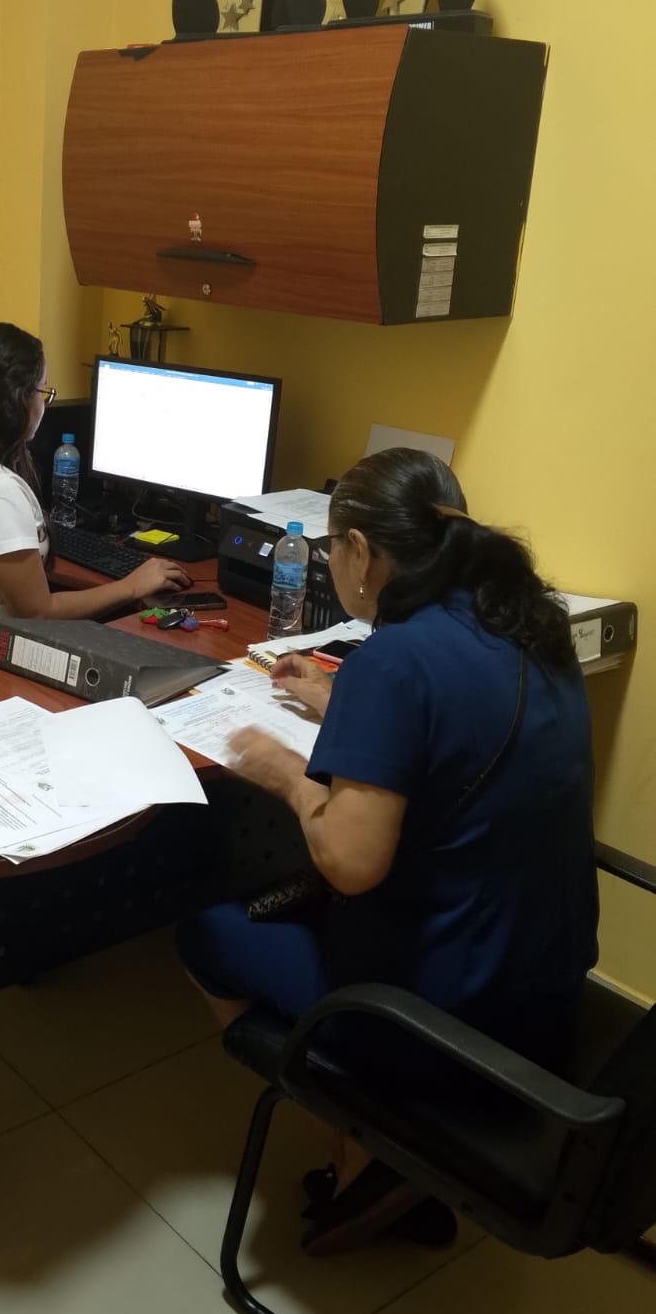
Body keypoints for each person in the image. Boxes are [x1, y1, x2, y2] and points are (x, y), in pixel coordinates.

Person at [177, 447, 599, 1253]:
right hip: (548, 993)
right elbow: (457, 727)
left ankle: (370, 1139)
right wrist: (337, 697)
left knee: (208, 932)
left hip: (442, 1018)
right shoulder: (530, 625)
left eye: (331, 550)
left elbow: (350, 862)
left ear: (361, 552)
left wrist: (282, 771)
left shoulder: (396, 660)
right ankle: (390, 1138)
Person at [0, 321, 190, 653]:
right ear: (18, 399)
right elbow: (38, 613)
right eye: (43, 392)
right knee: (152, 648)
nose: (44, 404)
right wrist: (132, 586)